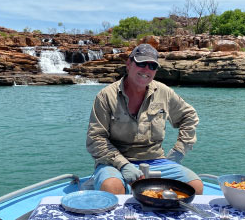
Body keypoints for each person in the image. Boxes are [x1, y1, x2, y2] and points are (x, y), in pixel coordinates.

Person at [86, 43, 203, 195]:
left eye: (152, 66)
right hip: (115, 162)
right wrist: (123, 165)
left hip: (157, 161)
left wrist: (179, 151)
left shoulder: (164, 92)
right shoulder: (105, 96)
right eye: (141, 63)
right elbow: (95, 139)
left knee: (195, 188)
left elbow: (189, 116)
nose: (146, 69)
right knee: (112, 188)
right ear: (129, 64)